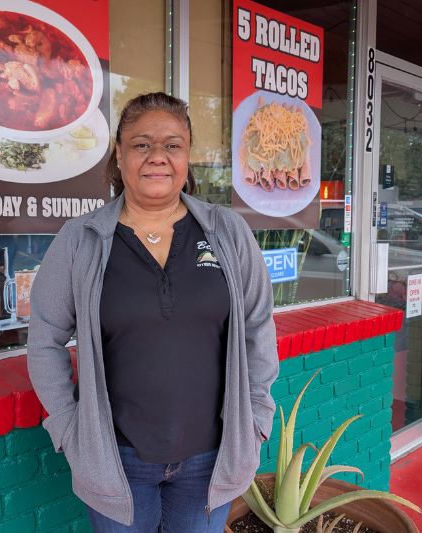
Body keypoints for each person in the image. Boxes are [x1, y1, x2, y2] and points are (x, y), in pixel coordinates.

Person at [27, 92, 278, 532]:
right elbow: (45, 336)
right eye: (142, 144)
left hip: (211, 460)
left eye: (172, 145)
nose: (157, 156)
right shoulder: (80, 239)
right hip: (114, 459)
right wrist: (69, 429)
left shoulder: (227, 231)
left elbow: (258, 326)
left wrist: (257, 417)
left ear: (187, 157)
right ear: (119, 156)